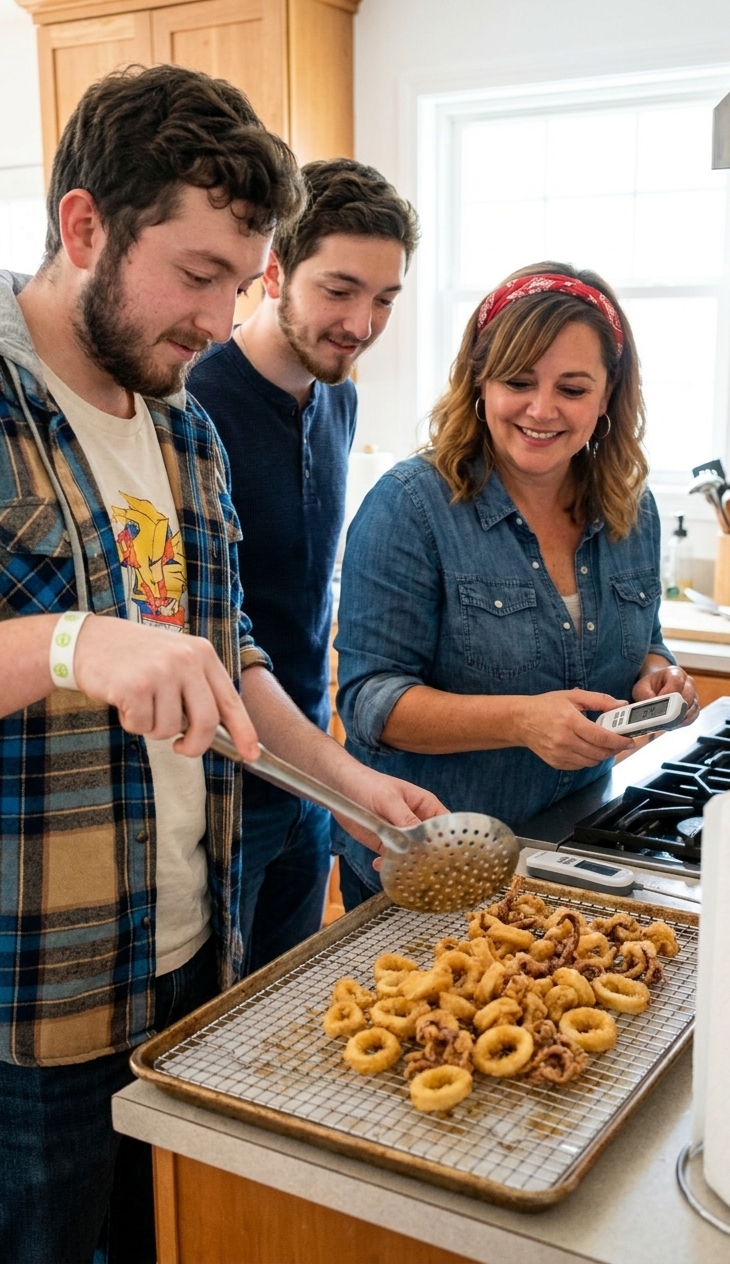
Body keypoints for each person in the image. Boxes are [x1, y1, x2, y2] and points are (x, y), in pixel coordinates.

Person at [0, 65, 443, 1264]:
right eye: (197, 277)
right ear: (85, 225)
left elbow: (228, 648)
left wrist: (348, 782)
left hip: (198, 953)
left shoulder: (184, 421)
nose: (214, 320)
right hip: (34, 990)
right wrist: (71, 643)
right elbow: (90, 647)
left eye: (238, 286)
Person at [333, 262, 699, 906]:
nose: (542, 409)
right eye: (519, 381)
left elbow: (646, 639)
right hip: (440, 864)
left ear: (609, 394)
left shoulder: (631, 509)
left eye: (573, 388)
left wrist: (656, 673)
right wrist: (522, 721)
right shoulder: (410, 508)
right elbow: (371, 704)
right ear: (480, 382)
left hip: (575, 848)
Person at [188, 160, 419, 971]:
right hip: (214, 792)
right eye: (340, 289)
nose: (361, 322)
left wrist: (333, 773)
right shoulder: (190, 403)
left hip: (310, 775)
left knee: (287, 1006)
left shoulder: (338, 396)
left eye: (384, 298)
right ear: (274, 271)